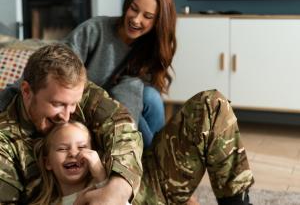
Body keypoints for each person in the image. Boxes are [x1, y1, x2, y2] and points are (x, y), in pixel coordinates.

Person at [0, 44, 254, 204]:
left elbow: (123, 128)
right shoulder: (4, 138)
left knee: (212, 104)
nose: (67, 115)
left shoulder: (80, 93)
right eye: (57, 104)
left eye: (72, 105)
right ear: (26, 91)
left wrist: (118, 188)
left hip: (143, 189)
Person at [0, 0, 177, 149]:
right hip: (79, 101)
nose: (136, 19)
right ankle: (158, 163)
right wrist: (7, 96)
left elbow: (129, 95)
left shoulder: (149, 49)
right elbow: (53, 65)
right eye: (133, 9)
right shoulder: (95, 29)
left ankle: (155, 162)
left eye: (147, 16)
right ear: (127, 4)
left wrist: (125, 133)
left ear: (158, 22)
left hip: (116, 104)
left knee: (151, 97)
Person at [31, 121, 108, 205]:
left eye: (81, 147)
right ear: (48, 162)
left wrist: (100, 174)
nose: (73, 153)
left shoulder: (107, 188)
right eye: (62, 149)